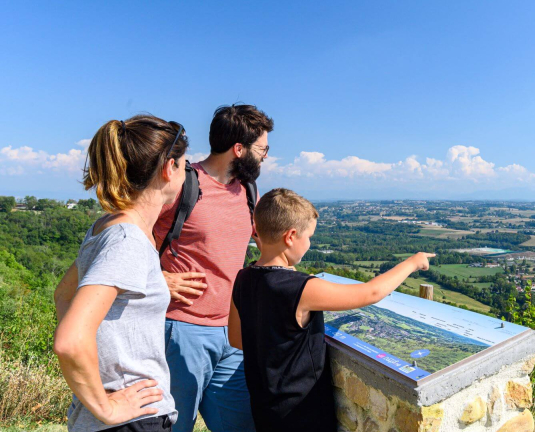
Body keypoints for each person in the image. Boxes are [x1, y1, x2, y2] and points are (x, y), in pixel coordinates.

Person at [227, 188, 434, 432]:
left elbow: (237, 339)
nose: (310, 243)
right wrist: (413, 262)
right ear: (291, 236)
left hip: (265, 409)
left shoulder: (243, 277)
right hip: (303, 414)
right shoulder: (300, 289)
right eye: (309, 236)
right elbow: (371, 293)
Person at [53, 115, 188, 431]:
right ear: (169, 169)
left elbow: (63, 294)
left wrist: (98, 381)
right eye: (186, 166)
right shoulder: (127, 239)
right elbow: (70, 340)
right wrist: (106, 406)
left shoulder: (106, 227)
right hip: (131, 420)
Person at [152, 104, 273, 432]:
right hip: (182, 330)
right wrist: (156, 278)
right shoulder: (182, 185)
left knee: (242, 426)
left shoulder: (248, 191)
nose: (265, 156)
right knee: (175, 426)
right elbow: (137, 232)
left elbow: (268, 245)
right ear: (239, 149)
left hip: (234, 331)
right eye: (262, 148)